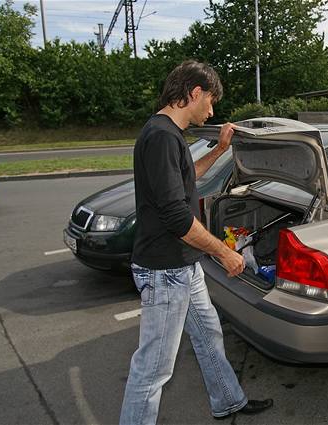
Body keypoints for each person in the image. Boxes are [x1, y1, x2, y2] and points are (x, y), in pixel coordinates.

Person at [120, 60, 273, 424]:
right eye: (211, 101)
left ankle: (228, 402)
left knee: (208, 338)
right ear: (194, 93)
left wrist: (220, 150)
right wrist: (224, 253)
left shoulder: (168, 135)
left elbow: (187, 180)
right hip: (165, 270)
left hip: (183, 268)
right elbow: (177, 218)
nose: (212, 110)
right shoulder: (160, 137)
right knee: (153, 369)